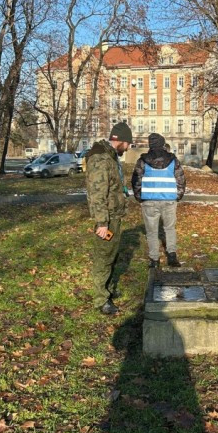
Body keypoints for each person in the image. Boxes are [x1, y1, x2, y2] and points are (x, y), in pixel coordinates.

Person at [85, 121, 133, 315]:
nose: (129, 148)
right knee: (103, 258)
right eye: (128, 143)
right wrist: (102, 223)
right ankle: (101, 299)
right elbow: (97, 193)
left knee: (111, 256)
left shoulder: (110, 157)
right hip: (107, 219)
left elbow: (112, 186)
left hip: (114, 216)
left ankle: (107, 291)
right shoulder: (100, 159)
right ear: (120, 141)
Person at [131, 132, 186, 268]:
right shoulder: (173, 160)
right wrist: (177, 196)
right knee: (169, 228)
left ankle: (154, 259)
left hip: (148, 201)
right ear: (162, 144)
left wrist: (140, 197)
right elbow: (180, 179)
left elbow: (136, 180)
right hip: (169, 200)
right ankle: (172, 256)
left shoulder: (142, 161)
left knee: (151, 231)